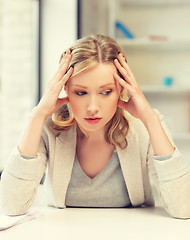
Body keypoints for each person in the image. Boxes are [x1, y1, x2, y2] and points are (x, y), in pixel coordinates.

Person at [1, 34, 190, 218]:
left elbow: (184, 208)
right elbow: (11, 205)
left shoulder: (145, 125)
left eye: (106, 92)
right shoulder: (47, 126)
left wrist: (149, 118)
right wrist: (37, 115)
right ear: (64, 88)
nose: (92, 107)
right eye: (81, 93)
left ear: (121, 89)